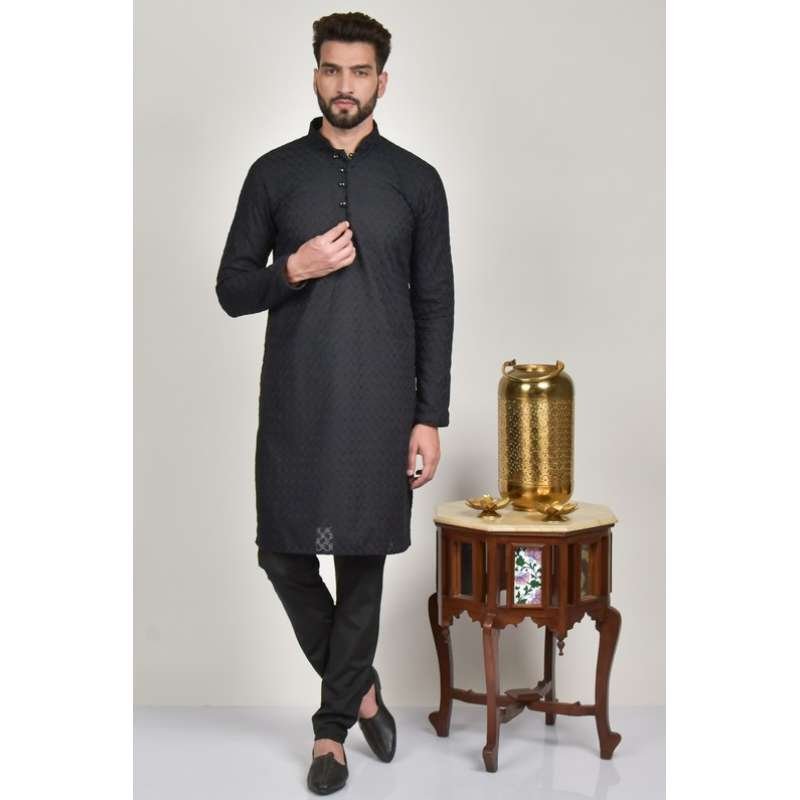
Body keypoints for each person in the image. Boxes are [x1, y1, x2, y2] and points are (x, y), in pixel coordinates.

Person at [215, 11, 454, 795]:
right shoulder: (274, 173)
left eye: (359, 72)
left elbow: (435, 305)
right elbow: (231, 289)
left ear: (382, 81)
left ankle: (330, 733)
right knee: (282, 553)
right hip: (295, 397)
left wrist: (429, 416)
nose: (344, 85)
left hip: (382, 403)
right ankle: (361, 690)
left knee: (361, 560)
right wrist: (296, 268)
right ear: (315, 74)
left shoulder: (416, 181)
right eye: (331, 69)